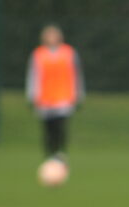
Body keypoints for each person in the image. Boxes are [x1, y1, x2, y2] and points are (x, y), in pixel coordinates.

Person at [26, 24, 85, 162]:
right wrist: (32, 95)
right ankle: (49, 155)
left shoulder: (69, 52)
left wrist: (79, 95)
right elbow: (33, 76)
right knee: (48, 130)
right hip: (45, 99)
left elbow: (76, 75)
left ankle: (60, 154)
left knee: (60, 128)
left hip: (63, 97)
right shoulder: (38, 54)